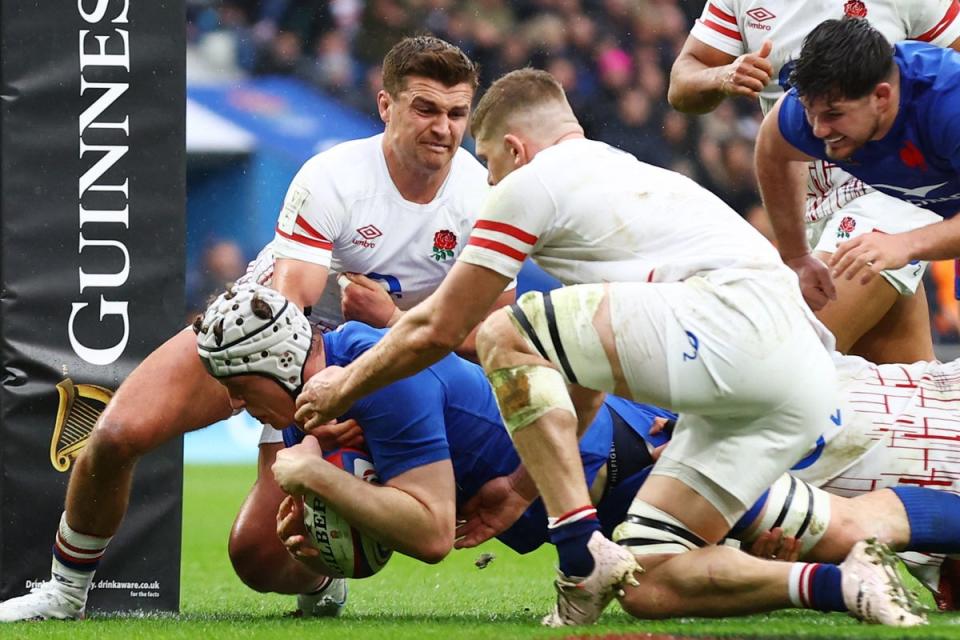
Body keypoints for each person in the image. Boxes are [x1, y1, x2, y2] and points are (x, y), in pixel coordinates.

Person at [286, 68, 931, 628]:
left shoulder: (529, 185)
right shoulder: (623, 182)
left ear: (514, 148)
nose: (487, 184)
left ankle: (576, 560)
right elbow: (586, 372)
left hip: (735, 328)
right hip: (797, 378)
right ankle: (844, 584)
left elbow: (439, 329)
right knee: (649, 580)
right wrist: (519, 486)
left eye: (488, 163)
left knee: (501, 330)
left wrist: (341, 387)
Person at [0, 35, 510, 622]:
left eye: (455, 113)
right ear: (385, 106)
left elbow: (493, 330)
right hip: (258, 338)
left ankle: (326, 567)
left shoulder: (481, 197)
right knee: (116, 434)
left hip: (376, 363)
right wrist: (320, 410)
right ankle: (63, 594)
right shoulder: (336, 175)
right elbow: (291, 304)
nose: (443, 128)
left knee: (258, 557)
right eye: (425, 108)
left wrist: (389, 331)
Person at [195, 284, 952, 623]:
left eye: (234, 387)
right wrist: (326, 549)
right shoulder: (310, 403)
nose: (235, 404)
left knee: (836, 525)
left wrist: (309, 477)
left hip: (615, 460)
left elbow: (428, 532)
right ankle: (844, 584)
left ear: (263, 368)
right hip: (589, 477)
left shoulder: (370, 375)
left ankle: (860, 570)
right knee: (664, 584)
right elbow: (392, 519)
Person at [669, 0, 960, 364]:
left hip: (895, 192)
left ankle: (672, 420)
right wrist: (722, 76)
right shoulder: (791, 112)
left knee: (785, 358)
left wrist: (908, 243)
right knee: (899, 388)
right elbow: (683, 89)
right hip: (812, 205)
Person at [755, 19, 960, 301]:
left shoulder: (949, 104)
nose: (819, 130)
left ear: (881, 96)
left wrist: (905, 244)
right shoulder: (813, 112)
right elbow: (771, 151)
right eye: (810, 113)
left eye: (834, 115)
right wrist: (797, 257)